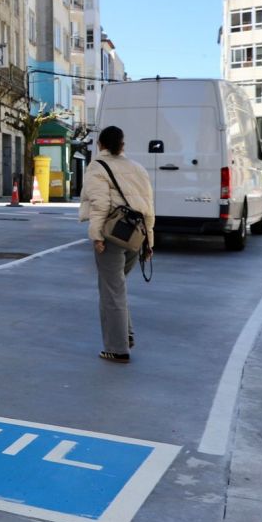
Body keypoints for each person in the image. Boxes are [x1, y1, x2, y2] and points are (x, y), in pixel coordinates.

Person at [79, 125, 154, 362]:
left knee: (111, 291)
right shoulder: (138, 168)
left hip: (112, 235)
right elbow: (148, 208)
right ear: (123, 145)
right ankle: (126, 334)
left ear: (100, 144)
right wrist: (149, 242)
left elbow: (100, 205)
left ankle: (117, 348)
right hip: (135, 236)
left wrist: (97, 236)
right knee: (117, 287)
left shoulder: (97, 167)